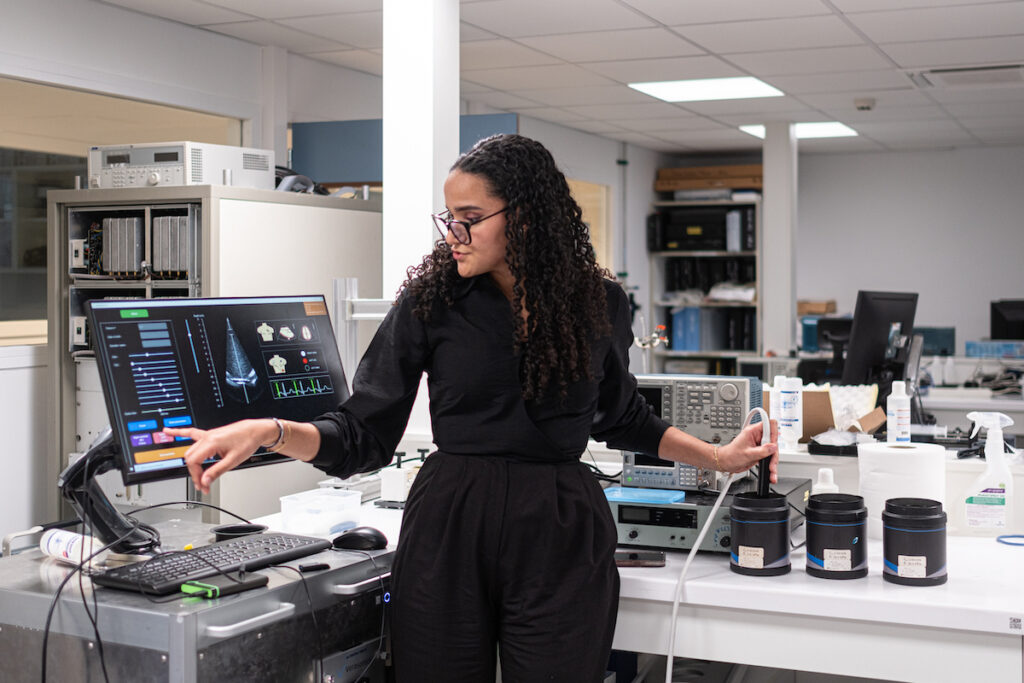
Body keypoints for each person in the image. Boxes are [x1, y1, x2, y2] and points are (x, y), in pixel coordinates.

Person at [166, 134, 778, 682]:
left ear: (528, 217)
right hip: (452, 520)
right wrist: (268, 430)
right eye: (448, 218)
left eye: (470, 217)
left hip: (559, 527)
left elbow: (619, 416)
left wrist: (719, 457)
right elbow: (362, 432)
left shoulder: (600, 303)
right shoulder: (433, 302)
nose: (453, 234)